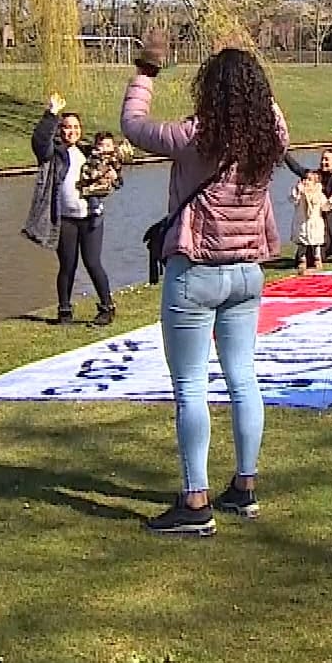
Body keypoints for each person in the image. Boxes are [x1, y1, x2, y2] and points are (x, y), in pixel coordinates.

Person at [122, 33, 288, 537]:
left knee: (190, 385)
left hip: (196, 272)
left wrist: (146, 73)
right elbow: (270, 111)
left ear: (207, 91)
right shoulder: (272, 135)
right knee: (243, 378)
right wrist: (246, 59)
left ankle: (195, 502)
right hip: (247, 273)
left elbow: (133, 126)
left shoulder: (194, 138)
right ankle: (244, 487)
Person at [23, 94, 116, 326]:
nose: (71, 131)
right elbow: (39, 142)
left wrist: (113, 176)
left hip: (92, 217)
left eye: (75, 127)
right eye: (66, 127)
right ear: (60, 130)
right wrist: (51, 113)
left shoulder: (89, 152)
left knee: (93, 262)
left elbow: (115, 176)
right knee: (67, 265)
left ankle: (106, 307)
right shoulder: (53, 154)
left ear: (81, 130)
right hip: (65, 220)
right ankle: (64, 311)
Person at [291, 170, 328, 272]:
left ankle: (317, 259)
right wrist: (299, 191)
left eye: (309, 180)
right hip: (303, 223)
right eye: (305, 179)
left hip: (315, 224)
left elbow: (324, 207)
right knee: (302, 243)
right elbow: (293, 200)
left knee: (316, 243)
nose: (306, 182)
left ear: (316, 183)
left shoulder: (319, 194)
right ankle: (302, 260)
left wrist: (330, 203)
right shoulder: (300, 194)